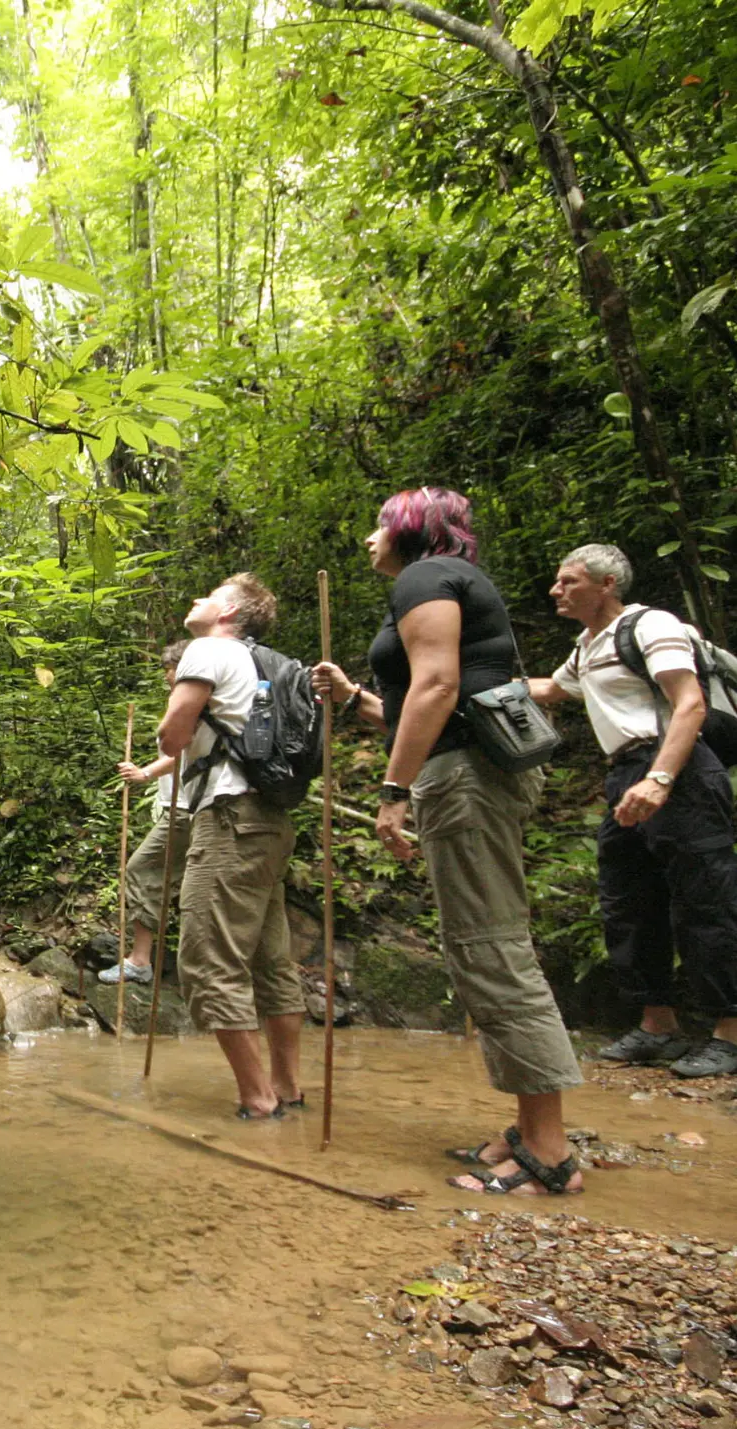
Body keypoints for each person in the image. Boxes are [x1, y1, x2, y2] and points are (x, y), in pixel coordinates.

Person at [312, 487, 584, 1197]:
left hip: (464, 779)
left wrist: (392, 794)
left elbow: (437, 688)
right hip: (468, 770)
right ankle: (529, 1127)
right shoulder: (436, 580)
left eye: (378, 524)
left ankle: (550, 1154)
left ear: (408, 530)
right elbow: (416, 708)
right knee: (481, 947)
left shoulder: (424, 576)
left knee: (492, 948)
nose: (370, 538)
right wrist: (353, 697)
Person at [525, 545, 737, 1077]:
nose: (555, 590)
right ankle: (658, 1025)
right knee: (628, 900)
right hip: (624, 776)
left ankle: (736, 1034)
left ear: (607, 584)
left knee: (705, 897)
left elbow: (690, 703)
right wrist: (472, 688)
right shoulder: (588, 645)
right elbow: (553, 689)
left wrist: (660, 777)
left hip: (676, 769)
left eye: (568, 581)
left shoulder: (650, 625)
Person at [155, 575, 306, 1120]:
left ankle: (257, 1098)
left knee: (207, 956)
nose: (196, 599)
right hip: (271, 820)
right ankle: (287, 1087)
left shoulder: (208, 649)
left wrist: (169, 732)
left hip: (230, 816)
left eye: (209, 594)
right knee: (269, 959)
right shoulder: (275, 663)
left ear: (230, 612)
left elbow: (174, 735)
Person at [100, 639, 193, 985]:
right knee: (179, 883)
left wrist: (146, 773)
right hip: (182, 807)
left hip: (185, 810)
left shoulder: (196, 699)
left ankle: (140, 960)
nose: (166, 676)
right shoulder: (190, 698)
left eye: (168, 669)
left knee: (142, 870)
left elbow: (185, 751)